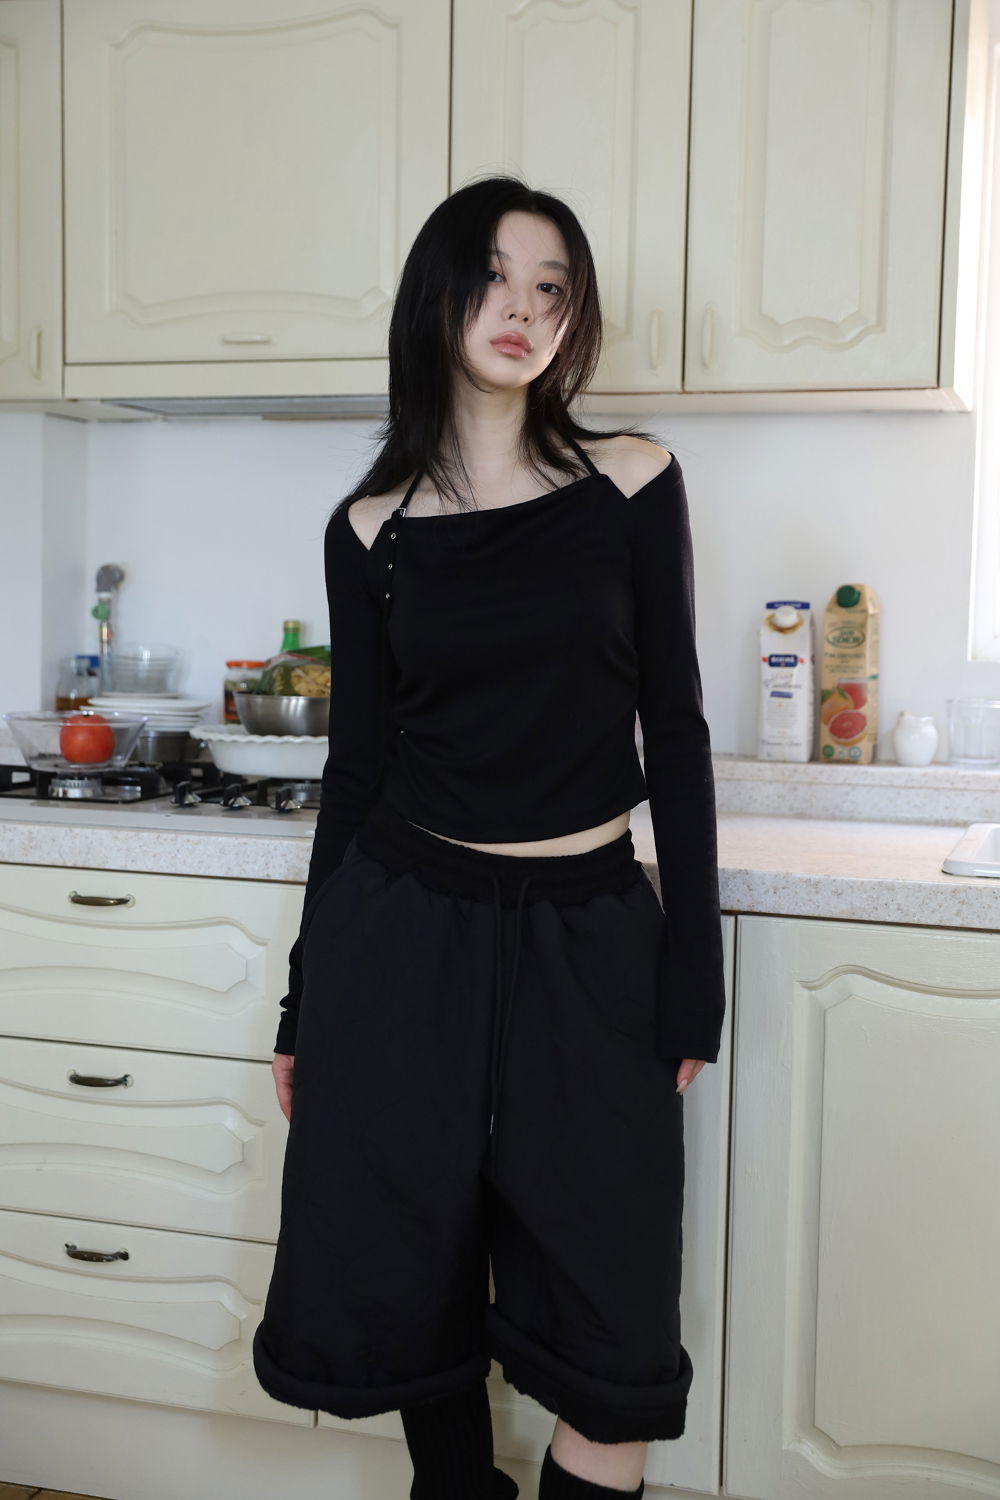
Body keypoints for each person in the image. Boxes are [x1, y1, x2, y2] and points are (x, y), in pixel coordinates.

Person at [252, 174, 727, 1500]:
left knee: (615, 1318)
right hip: (403, 935)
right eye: (495, 278)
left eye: (551, 288)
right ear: (440, 297)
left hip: (591, 934)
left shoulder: (631, 482)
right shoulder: (372, 529)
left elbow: (677, 730)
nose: (523, 309)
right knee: (405, 1271)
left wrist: (694, 969)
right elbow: (358, 773)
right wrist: (305, 1001)